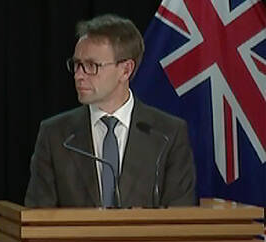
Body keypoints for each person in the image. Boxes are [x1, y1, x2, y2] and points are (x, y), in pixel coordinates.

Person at [24, 14, 196, 208]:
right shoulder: (55, 135)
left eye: (91, 66)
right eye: (77, 65)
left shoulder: (167, 134)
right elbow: (38, 215)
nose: (79, 76)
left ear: (125, 70)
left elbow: (180, 215)